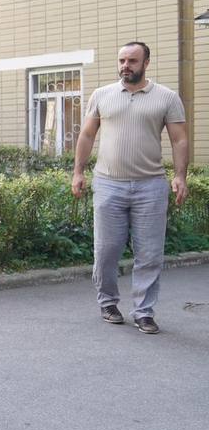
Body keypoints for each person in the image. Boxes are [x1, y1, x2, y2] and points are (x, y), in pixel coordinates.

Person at [72, 41, 189, 334]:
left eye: (132, 61)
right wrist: (78, 171)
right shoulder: (102, 95)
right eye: (122, 60)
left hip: (151, 186)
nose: (126, 66)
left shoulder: (166, 97)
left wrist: (180, 176)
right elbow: (87, 135)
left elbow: (180, 140)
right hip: (109, 184)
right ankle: (108, 303)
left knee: (149, 253)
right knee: (106, 251)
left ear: (146, 63)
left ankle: (144, 312)